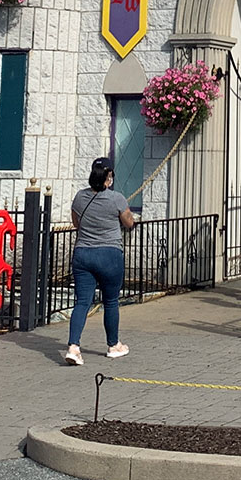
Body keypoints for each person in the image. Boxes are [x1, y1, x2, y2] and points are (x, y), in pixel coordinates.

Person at [64, 156, 137, 366]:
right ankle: (113, 345)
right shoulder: (116, 199)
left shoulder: (79, 197)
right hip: (109, 254)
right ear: (109, 177)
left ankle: (74, 347)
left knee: (82, 302)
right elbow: (128, 222)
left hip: (83, 254)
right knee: (111, 301)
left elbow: (76, 223)